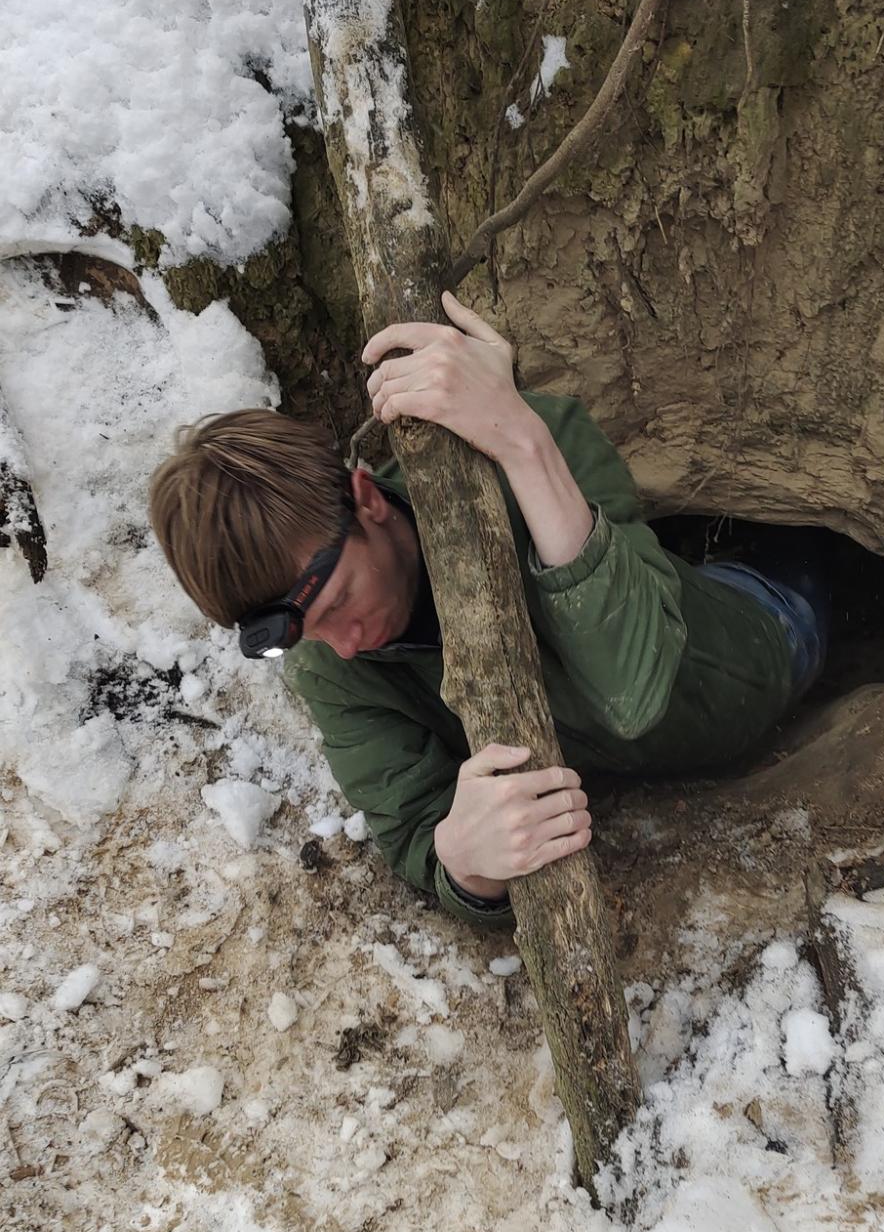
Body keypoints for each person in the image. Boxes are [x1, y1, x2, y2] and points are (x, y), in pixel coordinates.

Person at [149, 292, 827, 927]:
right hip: (658, 754)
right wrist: (464, 861)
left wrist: (520, 443)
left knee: (820, 565)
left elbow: (634, 690)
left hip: (764, 636)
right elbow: (414, 828)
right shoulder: (328, 664)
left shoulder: (529, 446)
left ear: (367, 500)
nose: (345, 644)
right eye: (306, 631)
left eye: (340, 601)